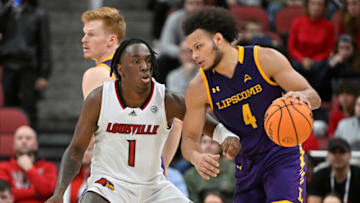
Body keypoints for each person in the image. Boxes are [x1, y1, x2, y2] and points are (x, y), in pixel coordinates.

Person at [45, 39, 231, 203]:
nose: (144, 66)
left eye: (148, 61)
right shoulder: (99, 99)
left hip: (153, 186)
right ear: (120, 69)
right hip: (110, 184)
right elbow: (76, 150)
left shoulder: (167, 100)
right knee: (91, 199)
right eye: (136, 61)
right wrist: (59, 192)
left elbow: (206, 123)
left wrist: (228, 137)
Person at [181, 7, 321, 202]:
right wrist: (195, 157)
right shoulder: (198, 87)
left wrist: (301, 98)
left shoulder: (264, 59)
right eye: (190, 50)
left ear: (218, 40)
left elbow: (313, 96)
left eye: (198, 47)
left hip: (281, 154)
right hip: (245, 164)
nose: (194, 56)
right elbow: (189, 138)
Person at [81, 6, 180, 175]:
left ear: (111, 40)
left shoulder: (96, 74)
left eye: (91, 34)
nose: (83, 40)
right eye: (84, 33)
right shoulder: (145, 76)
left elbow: (88, 134)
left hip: (116, 172)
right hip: (147, 171)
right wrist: (163, 166)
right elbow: (177, 120)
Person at [0, 0, 52, 129]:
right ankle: (12, 140)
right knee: (8, 106)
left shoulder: (39, 14)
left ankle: (31, 142)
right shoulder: (8, 12)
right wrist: (7, 7)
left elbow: (44, 45)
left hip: (29, 67)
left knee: (29, 107)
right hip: (8, 65)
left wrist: (43, 74)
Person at [0, 126, 58, 203]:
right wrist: (36, 192)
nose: (24, 141)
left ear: (36, 144)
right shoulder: (3, 167)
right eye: (19, 138)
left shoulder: (49, 167)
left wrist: (29, 169)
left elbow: (48, 191)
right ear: (13, 145)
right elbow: (3, 194)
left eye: (28, 138)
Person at [184, 135, 235, 203]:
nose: (208, 146)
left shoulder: (233, 170)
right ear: (199, 146)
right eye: (204, 142)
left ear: (220, 146)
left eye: (212, 142)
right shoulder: (190, 175)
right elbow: (191, 199)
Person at [308, 138, 360, 203]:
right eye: (334, 152)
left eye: (342, 152)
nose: (337, 156)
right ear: (328, 155)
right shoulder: (319, 176)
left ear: (350, 155)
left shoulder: (358, 175)